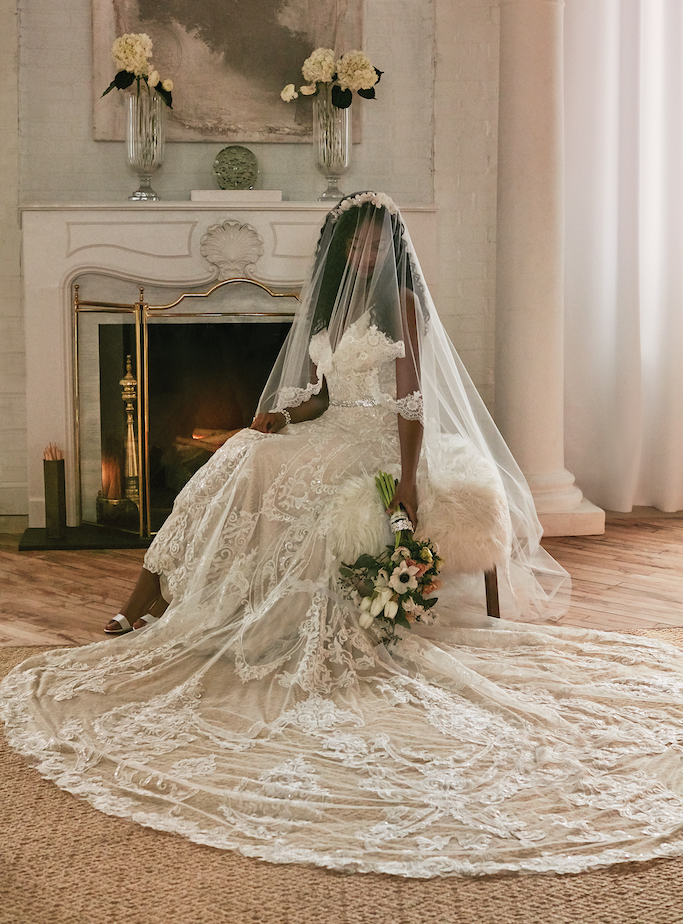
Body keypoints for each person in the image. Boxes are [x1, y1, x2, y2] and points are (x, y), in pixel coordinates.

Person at [4, 192, 683, 878]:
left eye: (375, 243)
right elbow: (323, 393)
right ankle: (148, 596)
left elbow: (411, 404)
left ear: (392, 248)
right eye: (355, 243)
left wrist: (410, 483)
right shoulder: (328, 309)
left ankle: (201, 604)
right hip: (330, 428)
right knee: (239, 454)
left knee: (275, 477)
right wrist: (285, 415)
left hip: (378, 443)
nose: (365, 254)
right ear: (338, 249)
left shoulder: (404, 310)